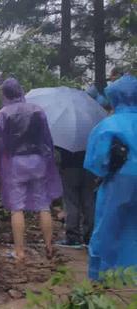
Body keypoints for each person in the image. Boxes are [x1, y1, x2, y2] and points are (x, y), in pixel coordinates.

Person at [0, 78, 63, 261]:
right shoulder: (37, 110)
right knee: (44, 205)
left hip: (15, 163)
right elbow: (47, 140)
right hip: (38, 161)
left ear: (5, 93)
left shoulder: (2, 115)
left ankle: (20, 251)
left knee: (17, 208)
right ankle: (48, 246)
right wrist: (50, 162)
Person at [84, 74, 137, 280]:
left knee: (108, 225)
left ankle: (101, 274)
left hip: (118, 181)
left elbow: (97, 163)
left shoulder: (108, 125)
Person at [55, 147, 96, 248]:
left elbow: (57, 152)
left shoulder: (64, 134)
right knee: (89, 203)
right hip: (89, 168)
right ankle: (90, 237)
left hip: (69, 167)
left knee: (71, 203)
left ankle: (73, 237)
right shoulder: (89, 132)